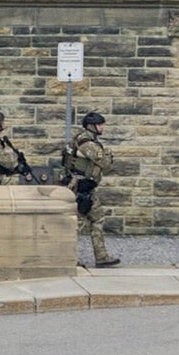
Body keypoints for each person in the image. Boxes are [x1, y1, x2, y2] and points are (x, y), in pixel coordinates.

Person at [65, 110, 120, 268]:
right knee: (80, 222)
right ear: (92, 126)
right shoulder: (87, 144)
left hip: (83, 186)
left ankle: (100, 256)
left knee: (93, 219)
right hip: (81, 188)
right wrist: (108, 154)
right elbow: (105, 163)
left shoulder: (82, 139)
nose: (102, 127)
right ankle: (72, 258)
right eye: (99, 124)